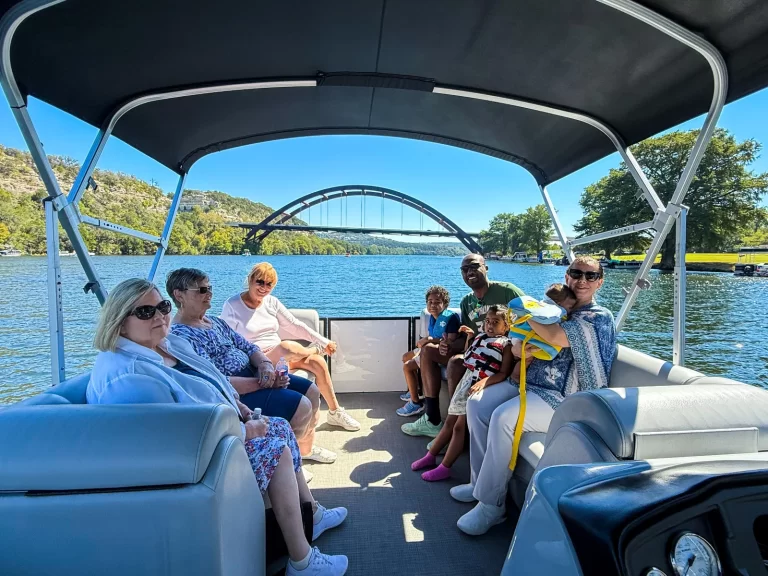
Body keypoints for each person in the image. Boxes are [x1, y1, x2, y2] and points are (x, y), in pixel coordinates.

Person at [86, 278, 349, 576]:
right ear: (120, 323)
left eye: (161, 307)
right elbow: (178, 438)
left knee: (280, 428)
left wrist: (241, 407)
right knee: (276, 451)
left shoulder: (167, 342)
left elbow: (212, 380)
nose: (159, 316)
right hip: (198, 460)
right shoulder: (132, 380)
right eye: (145, 312)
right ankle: (302, 561)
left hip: (222, 423)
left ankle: (311, 514)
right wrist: (244, 431)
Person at [452, 256, 617, 536]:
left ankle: (492, 505)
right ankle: (478, 481)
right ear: (567, 276)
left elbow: (555, 336)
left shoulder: (597, 317)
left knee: (504, 418)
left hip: (567, 398)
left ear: (599, 282)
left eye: (590, 276)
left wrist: (526, 311)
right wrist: (520, 348)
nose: (581, 280)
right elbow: (518, 346)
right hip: (529, 384)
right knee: (478, 405)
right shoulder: (555, 310)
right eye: (576, 273)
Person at [166, 268, 336, 471]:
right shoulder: (181, 336)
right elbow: (216, 381)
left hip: (256, 374)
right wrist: (264, 382)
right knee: (302, 407)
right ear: (179, 295)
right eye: (202, 290)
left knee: (312, 391)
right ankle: (289, 461)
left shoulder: (215, 322)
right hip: (237, 393)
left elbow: (248, 347)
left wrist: (264, 366)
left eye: (209, 288)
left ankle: (304, 452)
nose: (209, 294)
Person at [221, 262, 360, 432]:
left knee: (317, 362)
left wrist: (324, 340)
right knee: (286, 347)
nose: (264, 288)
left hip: (278, 356)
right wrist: (320, 345)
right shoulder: (232, 305)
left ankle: (335, 412)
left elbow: (295, 325)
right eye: (260, 282)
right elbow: (227, 340)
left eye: (269, 284)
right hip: (255, 360)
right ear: (250, 280)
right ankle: (314, 349)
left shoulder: (271, 302)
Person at [401, 253, 524, 438]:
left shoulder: (508, 292)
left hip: (501, 355)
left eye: (474, 266)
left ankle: (458, 428)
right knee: (429, 351)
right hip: (475, 351)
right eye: (464, 269)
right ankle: (433, 419)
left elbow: (530, 318)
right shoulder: (466, 302)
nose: (469, 272)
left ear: (486, 268)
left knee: (455, 363)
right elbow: (466, 337)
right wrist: (448, 346)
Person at [411, 306, 513, 482]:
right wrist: (470, 338)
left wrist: (483, 383)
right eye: (488, 321)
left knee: (459, 427)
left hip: (481, 387)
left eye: (496, 322)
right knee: (449, 421)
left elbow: (503, 373)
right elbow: (468, 356)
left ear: (506, 327)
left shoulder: (506, 345)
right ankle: (431, 456)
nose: (490, 325)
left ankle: (445, 467)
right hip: (466, 382)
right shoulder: (481, 337)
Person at [397, 285, 460, 417]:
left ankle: (415, 403)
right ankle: (416, 391)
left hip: (442, 352)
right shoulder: (432, 316)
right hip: (430, 346)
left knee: (407, 366)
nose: (433, 305)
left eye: (437, 302)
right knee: (405, 357)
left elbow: (451, 341)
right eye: (430, 302)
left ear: (445, 304)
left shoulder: (451, 318)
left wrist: (428, 339)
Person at [509, 283, 577, 384]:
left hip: (518, 334)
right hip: (525, 337)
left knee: (526, 356)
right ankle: (515, 375)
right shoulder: (553, 312)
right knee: (528, 358)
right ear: (558, 303)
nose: (571, 310)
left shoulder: (540, 307)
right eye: (570, 306)